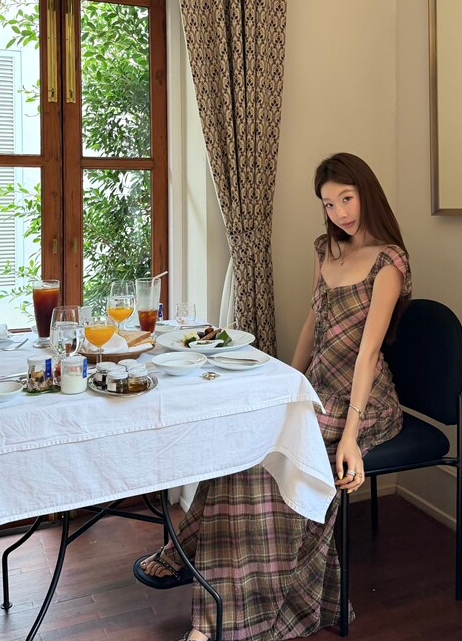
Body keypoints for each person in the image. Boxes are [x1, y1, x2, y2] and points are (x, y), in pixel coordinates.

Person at [134, 152, 411, 641]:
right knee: (239, 438)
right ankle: (203, 566)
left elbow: (368, 355)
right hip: (316, 388)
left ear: (366, 192)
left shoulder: (389, 261)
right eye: (329, 204)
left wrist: (351, 436)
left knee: (257, 457)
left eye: (347, 198)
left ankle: (212, 621)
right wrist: (284, 385)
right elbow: (311, 322)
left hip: (365, 403)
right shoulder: (325, 248)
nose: (340, 212)